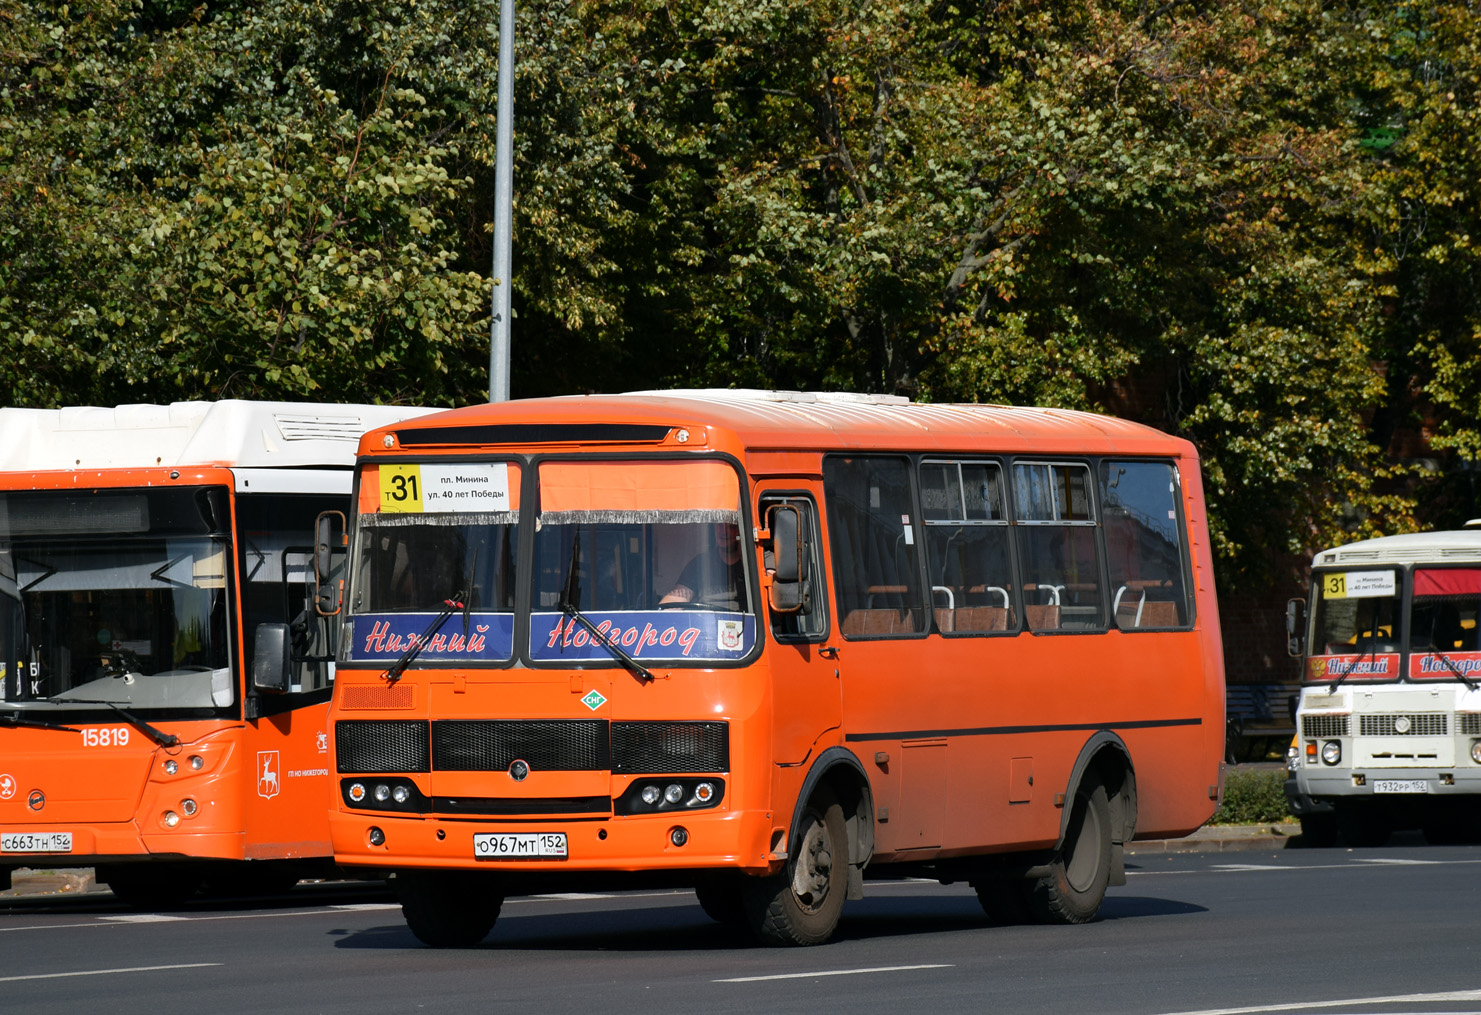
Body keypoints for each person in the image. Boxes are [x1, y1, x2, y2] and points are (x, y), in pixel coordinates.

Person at [660, 522, 747, 609]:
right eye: (719, 525)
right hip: (707, 620)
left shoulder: (751, 565)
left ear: (740, 531)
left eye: (731, 527)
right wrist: (659, 615)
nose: (723, 531)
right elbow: (678, 597)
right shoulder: (701, 563)